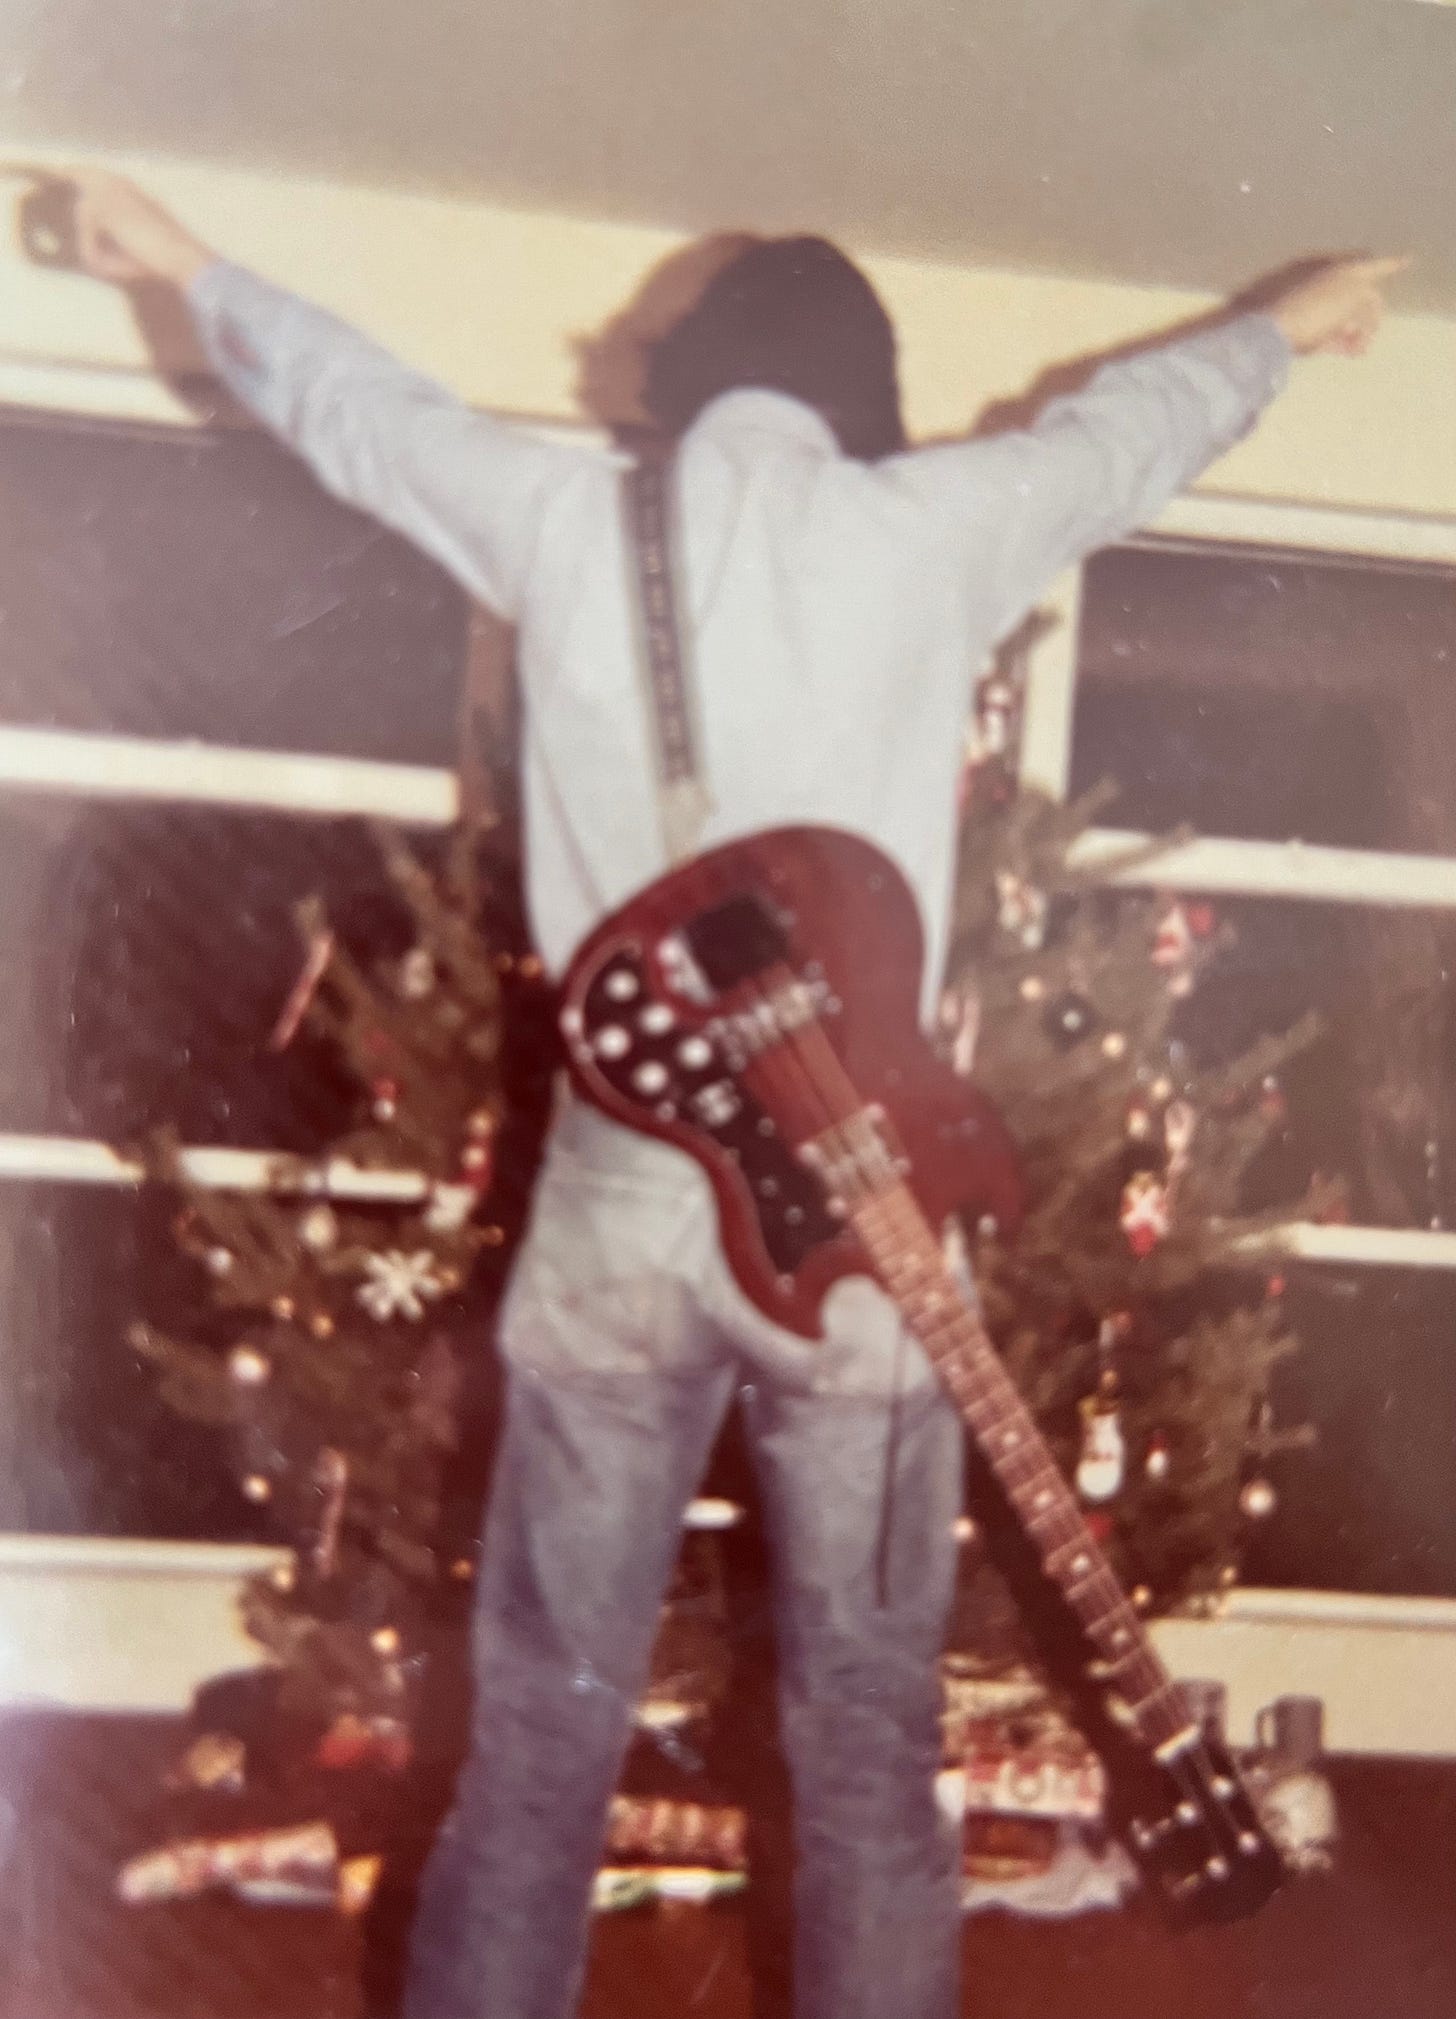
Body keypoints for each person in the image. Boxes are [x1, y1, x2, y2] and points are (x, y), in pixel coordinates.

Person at [55, 171, 1399, 2019]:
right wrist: (1289, 322)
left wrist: (179, 260)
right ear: (863, 395)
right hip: (865, 1212)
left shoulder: (564, 516)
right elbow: (1133, 429)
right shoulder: (932, 528)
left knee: (540, 1733)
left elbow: (359, 409)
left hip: (619, 1201)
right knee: (867, 1741)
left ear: (692, 382)